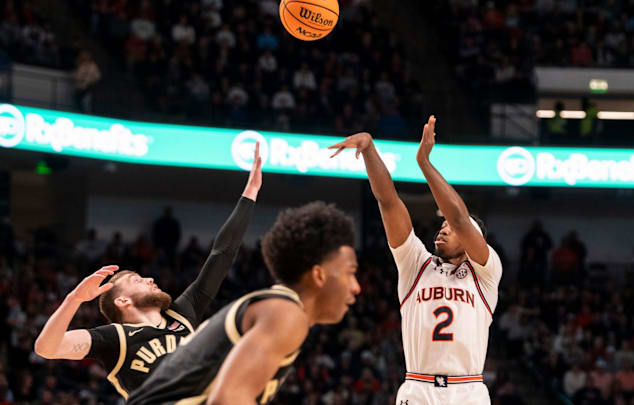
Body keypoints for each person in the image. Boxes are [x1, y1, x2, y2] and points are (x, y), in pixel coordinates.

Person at [34, 143, 264, 400]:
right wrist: (74, 299)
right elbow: (47, 348)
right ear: (122, 301)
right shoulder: (115, 338)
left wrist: (250, 193)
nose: (150, 279)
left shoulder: (182, 315)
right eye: (137, 280)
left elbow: (221, 254)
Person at [328, 116, 502, 405]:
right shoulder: (415, 264)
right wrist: (370, 150)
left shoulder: (485, 273)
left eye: (451, 229)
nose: (444, 228)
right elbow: (388, 201)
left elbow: (459, 218)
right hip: (418, 387)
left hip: (467, 390)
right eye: (441, 225)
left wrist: (424, 163)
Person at [127, 202, 360, 404]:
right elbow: (227, 399)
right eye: (350, 273)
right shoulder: (286, 313)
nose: (356, 287)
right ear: (318, 275)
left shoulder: (274, 308)